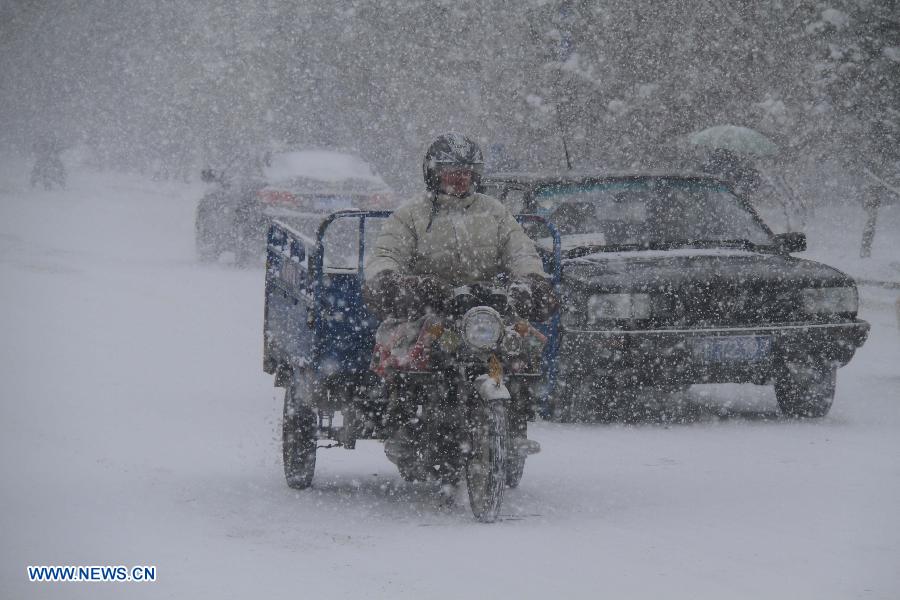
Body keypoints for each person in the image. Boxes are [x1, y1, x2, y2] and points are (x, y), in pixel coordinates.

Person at [363, 133, 556, 322]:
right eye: (453, 171)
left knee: (526, 348)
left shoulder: (494, 210)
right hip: (425, 316)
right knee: (400, 349)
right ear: (434, 172)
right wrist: (396, 285)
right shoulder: (409, 214)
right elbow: (386, 255)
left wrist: (531, 281)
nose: (461, 178)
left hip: (490, 315)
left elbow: (521, 252)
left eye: (467, 171)